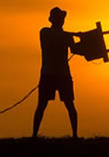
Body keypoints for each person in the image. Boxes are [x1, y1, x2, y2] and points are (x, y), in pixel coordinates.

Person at [32, 7, 85, 139]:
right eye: (59, 18)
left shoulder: (66, 36)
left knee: (69, 104)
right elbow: (60, 36)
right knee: (42, 105)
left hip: (60, 74)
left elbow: (76, 50)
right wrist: (76, 35)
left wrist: (84, 40)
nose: (61, 21)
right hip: (50, 74)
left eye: (62, 18)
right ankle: (34, 135)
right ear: (52, 19)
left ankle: (75, 134)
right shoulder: (45, 32)